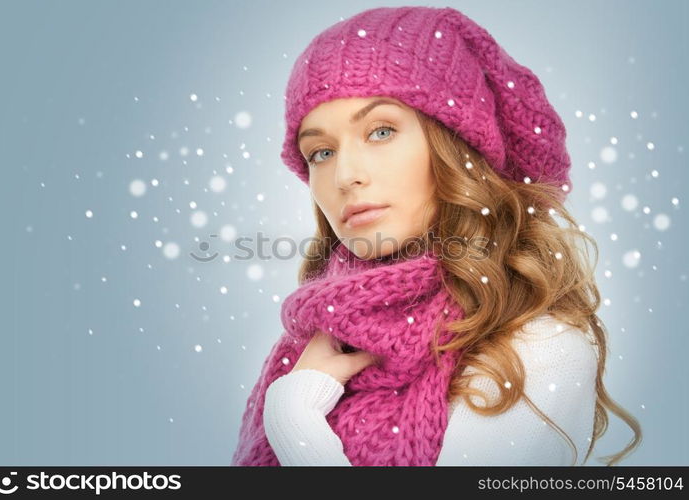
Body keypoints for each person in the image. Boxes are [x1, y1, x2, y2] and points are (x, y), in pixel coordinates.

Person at [231, 6, 641, 466]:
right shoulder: (320, 341)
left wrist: (295, 422)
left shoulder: (537, 349)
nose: (344, 175)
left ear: (455, 146)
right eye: (321, 151)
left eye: (381, 131)